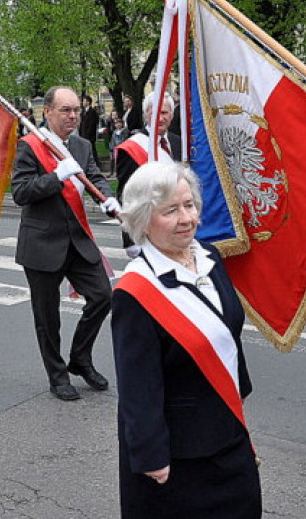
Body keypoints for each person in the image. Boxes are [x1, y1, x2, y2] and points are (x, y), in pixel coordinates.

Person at [112, 162, 290, 519]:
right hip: (171, 424)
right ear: (145, 219)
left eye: (189, 205)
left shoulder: (209, 257)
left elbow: (227, 331)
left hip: (221, 407)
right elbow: (137, 381)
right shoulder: (135, 291)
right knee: (170, 512)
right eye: (170, 210)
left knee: (241, 497)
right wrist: (149, 449)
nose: (186, 218)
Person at [11, 86, 120, 401]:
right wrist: (56, 176)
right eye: (65, 110)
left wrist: (107, 199)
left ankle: (80, 359)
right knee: (47, 317)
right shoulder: (30, 146)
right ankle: (57, 376)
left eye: (76, 110)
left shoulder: (82, 145)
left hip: (77, 239)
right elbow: (20, 192)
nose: (73, 116)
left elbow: (94, 177)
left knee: (102, 296)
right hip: (42, 242)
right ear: (48, 112)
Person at [114, 92, 182, 249]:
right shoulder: (131, 148)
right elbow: (126, 195)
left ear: (171, 115)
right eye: (155, 113)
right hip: (148, 231)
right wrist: (130, 240)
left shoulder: (179, 143)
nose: (160, 118)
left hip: (177, 227)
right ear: (146, 115)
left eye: (164, 113)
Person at [78, 95, 101, 163]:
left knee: (92, 150)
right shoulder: (83, 112)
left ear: (88, 102)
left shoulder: (92, 112)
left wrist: (87, 135)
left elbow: (92, 125)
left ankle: (96, 164)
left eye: (84, 101)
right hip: (83, 135)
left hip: (90, 136)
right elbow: (81, 124)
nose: (82, 102)